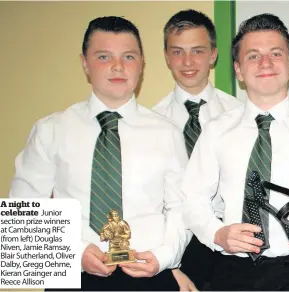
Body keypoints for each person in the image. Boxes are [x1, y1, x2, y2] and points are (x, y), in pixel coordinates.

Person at [9, 16, 190, 291]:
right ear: (84, 62)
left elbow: (181, 207)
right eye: (104, 56)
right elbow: (24, 212)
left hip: (149, 274)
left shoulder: (168, 132)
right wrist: (76, 253)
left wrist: (165, 258)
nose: (118, 66)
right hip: (71, 276)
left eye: (128, 57)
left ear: (142, 64)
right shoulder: (51, 130)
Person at [180, 13, 289, 291]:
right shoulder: (216, 130)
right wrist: (217, 233)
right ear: (239, 70)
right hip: (232, 271)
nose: (266, 63)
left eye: (275, 53)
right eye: (253, 56)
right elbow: (192, 198)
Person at [151, 9, 244, 289]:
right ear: (166, 56)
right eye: (177, 52)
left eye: (198, 51)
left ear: (213, 55)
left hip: (230, 245)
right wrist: (169, 265)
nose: (188, 62)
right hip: (172, 247)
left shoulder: (241, 115)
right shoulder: (150, 123)